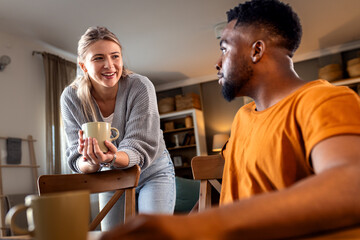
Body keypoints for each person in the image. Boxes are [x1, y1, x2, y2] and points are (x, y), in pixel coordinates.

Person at [99, 0, 360, 239]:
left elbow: (352, 186)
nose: (217, 62)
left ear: (256, 50)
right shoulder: (243, 118)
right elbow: (221, 196)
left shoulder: (324, 100)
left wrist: (200, 226)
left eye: (224, 48)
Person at [60, 26, 176, 231]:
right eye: (98, 58)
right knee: (114, 236)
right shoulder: (71, 98)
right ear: (83, 66)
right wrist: (92, 162)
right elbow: (75, 156)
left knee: (152, 235)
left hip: (152, 172)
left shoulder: (140, 86)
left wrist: (111, 158)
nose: (110, 65)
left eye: (115, 56)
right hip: (111, 177)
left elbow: (139, 144)